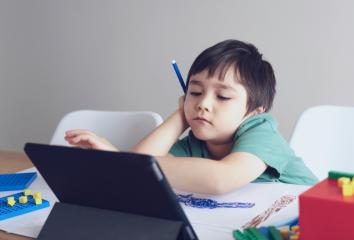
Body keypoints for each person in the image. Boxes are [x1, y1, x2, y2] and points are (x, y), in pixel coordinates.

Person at [65, 39, 318, 195]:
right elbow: (137, 181)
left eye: (223, 97)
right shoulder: (193, 144)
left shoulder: (262, 132)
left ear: (254, 111)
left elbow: (221, 178)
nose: (203, 104)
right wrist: (181, 116)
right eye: (195, 92)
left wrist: (123, 161)